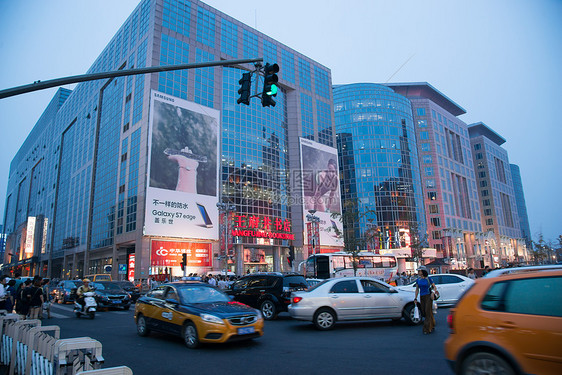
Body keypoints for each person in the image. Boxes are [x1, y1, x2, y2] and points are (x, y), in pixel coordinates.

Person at [414, 267, 436, 335]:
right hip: (422, 296)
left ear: (423, 271)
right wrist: (415, 298)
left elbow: (434, 286)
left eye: (419, 271)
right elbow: (417, 289)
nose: (418, 272)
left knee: (427, 311)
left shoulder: (428, 279)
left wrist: (432, 292)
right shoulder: (418, 280)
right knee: (424, 311)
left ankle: (427, 328)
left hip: (428, 296)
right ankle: (432, 324)